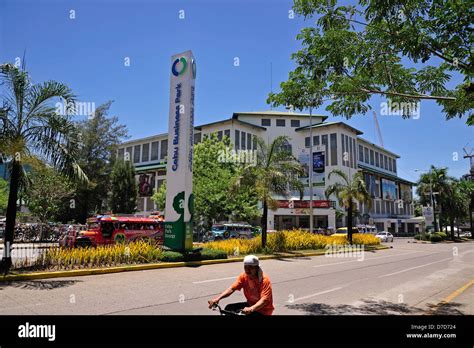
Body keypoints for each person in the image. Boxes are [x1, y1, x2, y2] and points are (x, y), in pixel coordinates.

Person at [208, 255, 274, 315]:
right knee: (229, 308)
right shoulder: (244, 277)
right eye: (245, 267)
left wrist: (251, 308)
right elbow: (232, 288)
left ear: (256, 268)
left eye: (250, 267)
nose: (247, 270)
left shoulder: (264, 280)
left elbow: (264, 300)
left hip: (263, 311)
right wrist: (218, 298)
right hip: (250, 305)